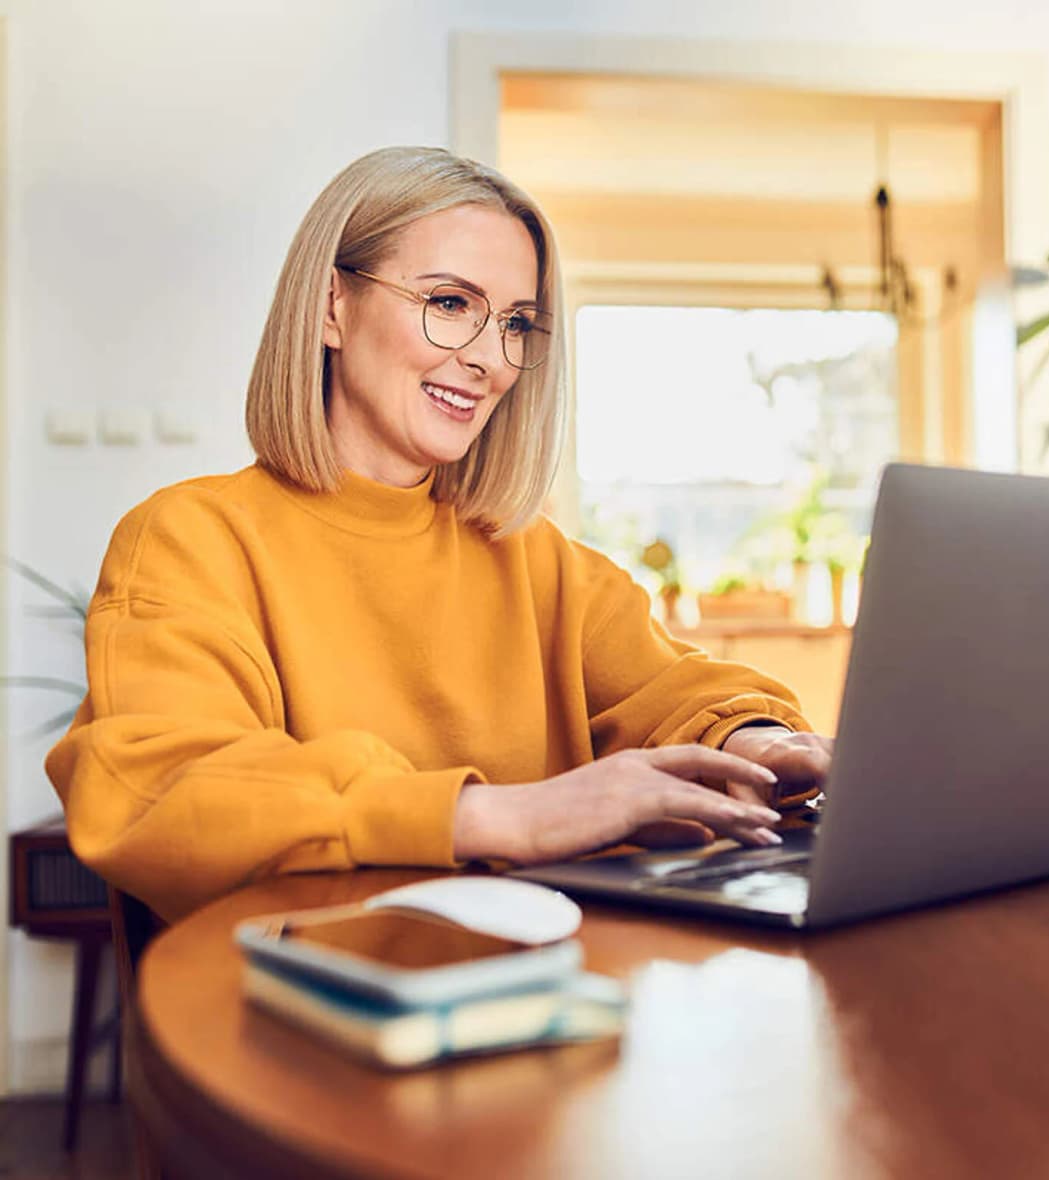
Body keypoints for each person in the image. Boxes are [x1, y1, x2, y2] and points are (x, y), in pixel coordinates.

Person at [46, 146, 832, 923]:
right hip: (300, 1010)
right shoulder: (190, 539)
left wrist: (755, 741)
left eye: (517, 323)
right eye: (451, 303)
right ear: (331, 306)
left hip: (542, 996)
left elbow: (680, 689)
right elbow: (165, 789)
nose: (490, 359)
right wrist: (503, 818)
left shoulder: (530, 555)